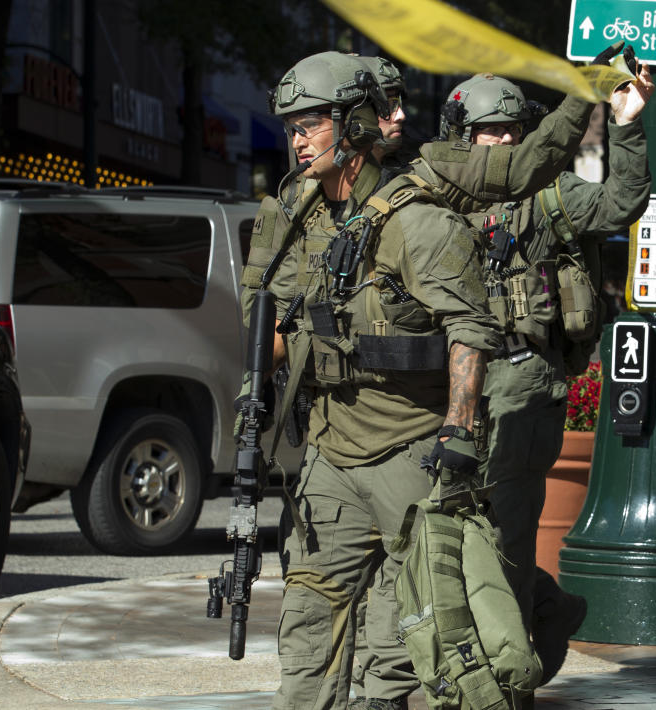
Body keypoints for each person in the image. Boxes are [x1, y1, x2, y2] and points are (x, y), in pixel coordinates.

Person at [238, 51, 502, 710]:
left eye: (312, 123)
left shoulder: (419, 221)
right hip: (330, 454)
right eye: (291, 125)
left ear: (354, 126)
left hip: (411, 452)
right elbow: (274, 320)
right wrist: (256, 392)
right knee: (305, 632)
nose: (298, 138)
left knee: (408, 645)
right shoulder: (298, 218)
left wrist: (459, 430)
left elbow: (469, 327)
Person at [438, 64, 653, 687]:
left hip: (521, 383)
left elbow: (621, 202)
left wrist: (625, 125)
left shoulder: (551, 192)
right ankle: (547, 610)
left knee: (505, 532)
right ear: (462, 136)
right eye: (488, 131)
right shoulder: (435, 194)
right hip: (452, 386)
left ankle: (508, 673)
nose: (503, 142)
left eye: (512, 130)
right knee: (451, 532)